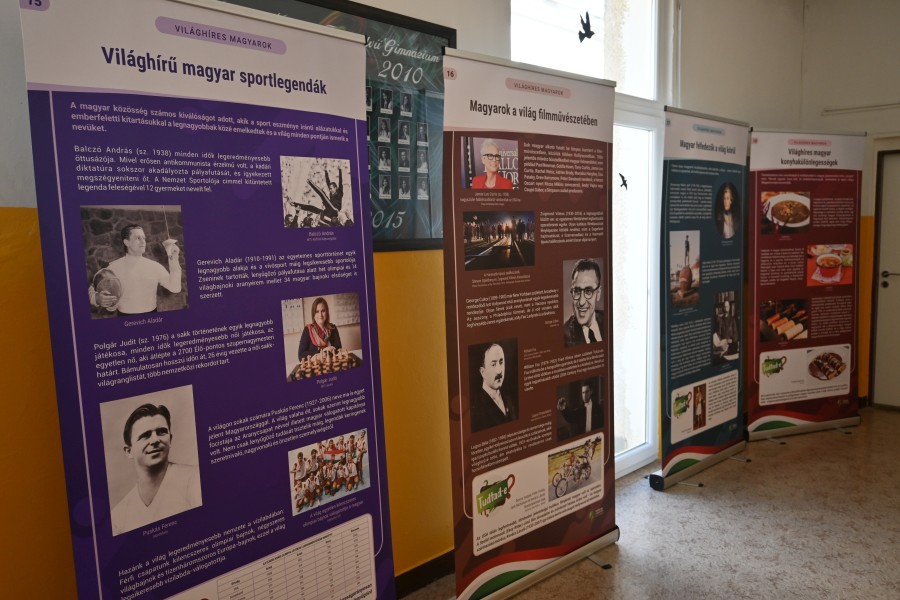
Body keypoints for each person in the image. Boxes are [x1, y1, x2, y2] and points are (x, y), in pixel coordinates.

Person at [111, 404, 201, 535]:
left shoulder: (195, 479)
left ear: (170, 439)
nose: (155, 440)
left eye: (161, 432)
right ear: (129, 451)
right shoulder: (118, 517)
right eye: (145, 435)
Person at [89, 224, 182, 315]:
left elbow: (175, 288)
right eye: (138, 238)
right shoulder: (114, 267)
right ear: (126, 242)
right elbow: (92, 288)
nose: (143, 241)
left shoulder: (155, 266)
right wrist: (96, 298)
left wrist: (174, 258)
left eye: (144, 238)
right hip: (125, 318)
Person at [471, 343, 517, 433]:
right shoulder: (476, 408)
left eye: (501, 362)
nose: (499, 371)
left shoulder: (509, 397)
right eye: (493, 364)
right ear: (483, 372)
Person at [563, 259, 603, 346]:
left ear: (598, 293)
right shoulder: (564, 336)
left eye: (588, 291)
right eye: (577, 291)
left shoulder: (608, 320)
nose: (581, 302)